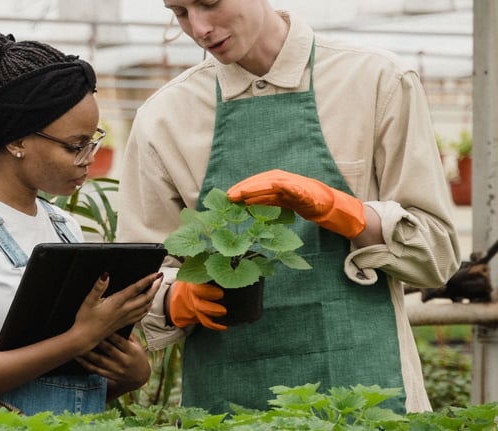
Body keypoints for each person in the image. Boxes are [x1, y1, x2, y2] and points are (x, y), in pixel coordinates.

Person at [116, 0, 461, 415]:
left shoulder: (376, 81)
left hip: (367, 391)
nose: (200, 28)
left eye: (209, 3)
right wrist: (173, 299)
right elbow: (138, 275)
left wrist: (344, 211)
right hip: (227, 404)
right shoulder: (164, 118)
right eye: (180, 12)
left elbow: (437, 256)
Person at [0, 32, 162, 417]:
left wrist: (131, 374)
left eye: (93, 141)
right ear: (17, 141)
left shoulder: (64, 227)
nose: (88, 158)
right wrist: (78, 339)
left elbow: (66, 392)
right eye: (74, 145)